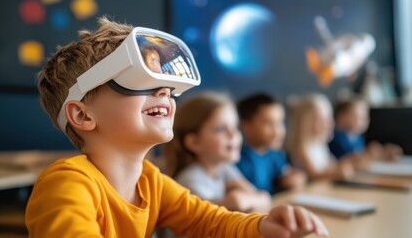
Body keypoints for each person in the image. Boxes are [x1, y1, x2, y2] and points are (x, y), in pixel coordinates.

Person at [25, 16, 329, 238]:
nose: (164, 94)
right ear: (82, 116)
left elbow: (210, 222)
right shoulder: (65, 184)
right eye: (141, 83)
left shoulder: (151, 182)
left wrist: (263, 227)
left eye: (167, 87)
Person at [163, 92, 271, 214]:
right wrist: (235, 200)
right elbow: (236, 203)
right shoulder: (190, 180)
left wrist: (243, 197)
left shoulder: (224, 168)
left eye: (235, 127)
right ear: (194, 142)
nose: (233, 134)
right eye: (221, 129)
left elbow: (263, 197)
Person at [236, 93, 306, 195]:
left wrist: (295, 179)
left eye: (280, 122)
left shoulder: (276, 155)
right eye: (268, 123)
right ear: (246, 126)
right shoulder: (240, 161)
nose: (277, 131)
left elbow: (288, 176)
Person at [285, 93, 354, 180]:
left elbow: (332, 166)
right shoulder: (302, 148)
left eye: (329, 119)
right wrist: (337, 173)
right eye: (321, 120)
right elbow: (313, 176)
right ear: (306, 123)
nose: (329, 124)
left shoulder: (320, 145)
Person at [329, 97, 403, 162]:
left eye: (366, 117)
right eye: (358, 117)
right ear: (342, 117)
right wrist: (369, 154)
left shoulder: (358, 138)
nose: (364, 121)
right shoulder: (336, 138)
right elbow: (349, 160)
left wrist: (382, 153)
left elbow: (361, 157)